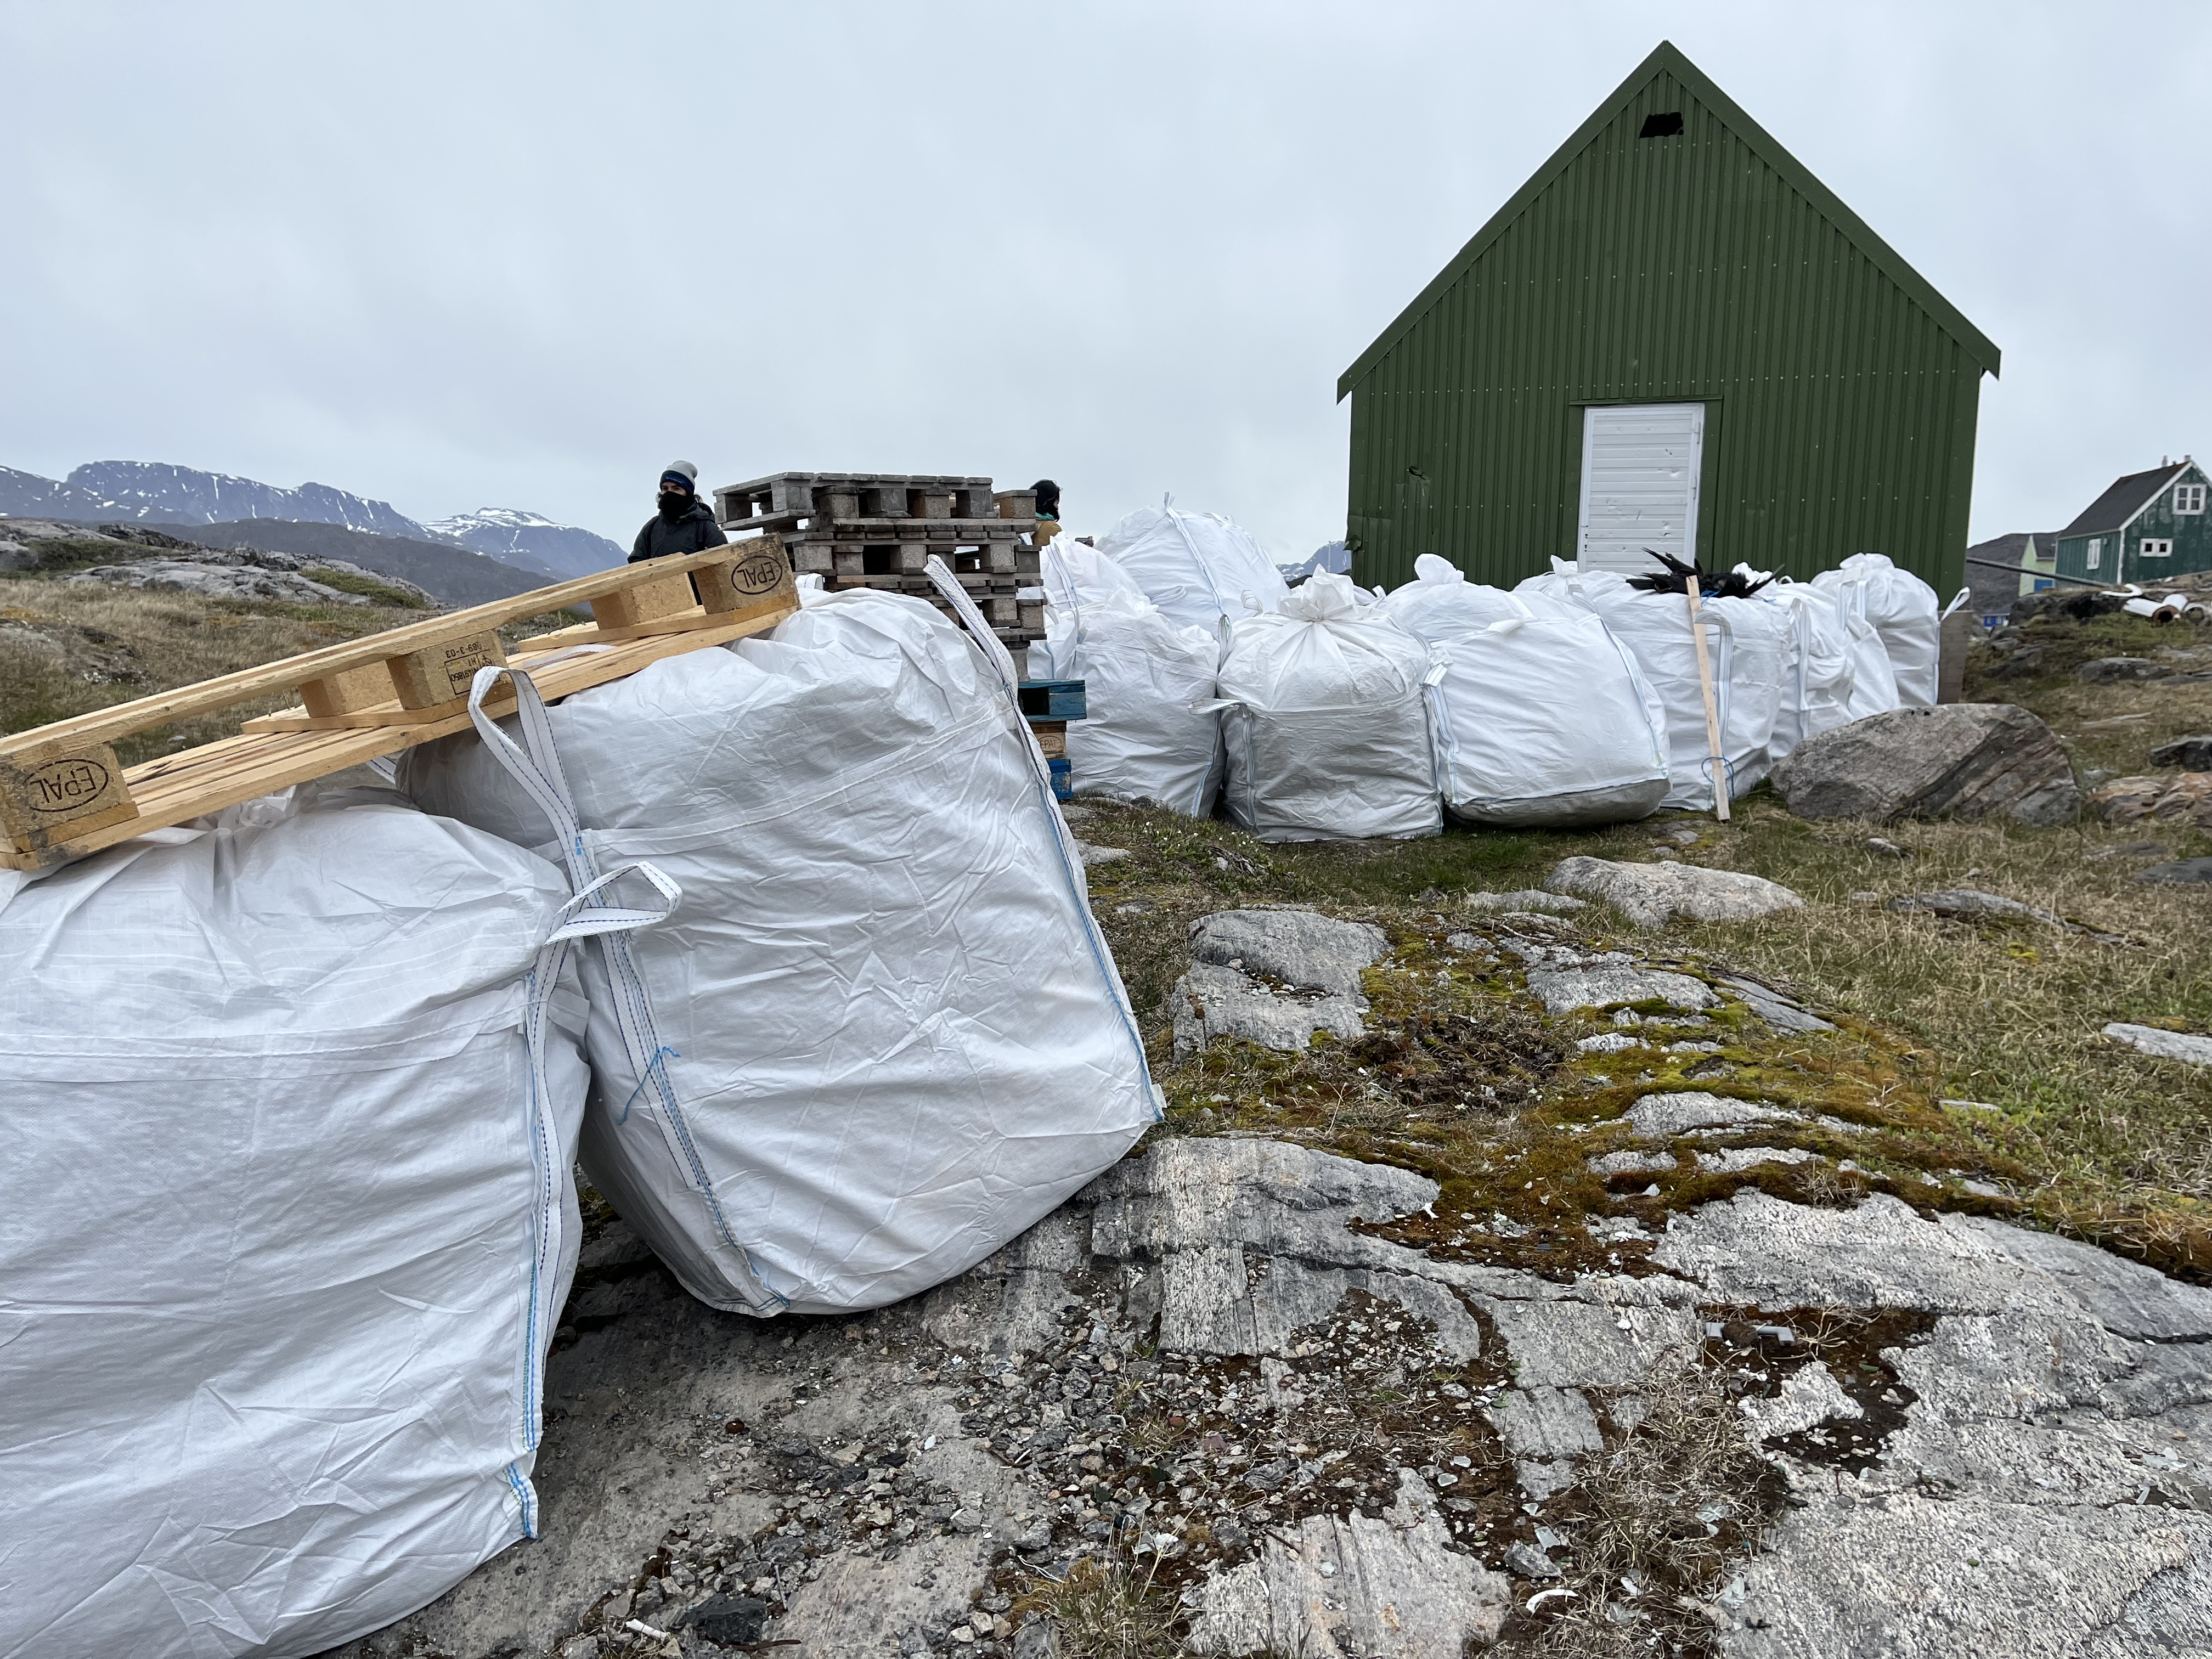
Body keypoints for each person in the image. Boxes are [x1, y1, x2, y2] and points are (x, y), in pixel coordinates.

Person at [630, 460, 728, 563]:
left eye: (676, 489)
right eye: (665, 489)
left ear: (688, 493)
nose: (669, 493)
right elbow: (636, 563)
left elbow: (725, 565)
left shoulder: (707, 528)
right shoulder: (652, 527)